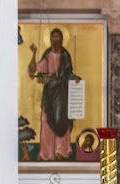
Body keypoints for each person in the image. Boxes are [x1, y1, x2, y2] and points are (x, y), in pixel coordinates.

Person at [28, 28, 81, 161]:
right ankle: (45, 152)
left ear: (62, 39)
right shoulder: (47, 54)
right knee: (46, 121)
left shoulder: (65, 55)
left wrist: (75, 78)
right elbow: (35, 71)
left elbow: (68, 73)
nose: (54, 40)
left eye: (57, 37)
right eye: (52, 37)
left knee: (61, 120)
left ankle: (61, 150)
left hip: (62, 94)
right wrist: (34, 54)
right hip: (49, 94)